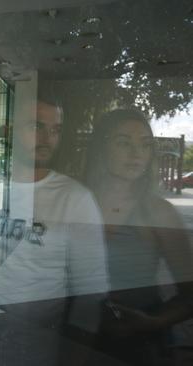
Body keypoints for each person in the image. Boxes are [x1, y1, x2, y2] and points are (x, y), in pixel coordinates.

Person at [0, 98, 108, 364]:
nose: (47, 137)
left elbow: (90, 292)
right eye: (36, 126)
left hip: (34, 335)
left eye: (55, 130)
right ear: (9, 131)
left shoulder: (74, 198)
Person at [84, 109, 193, 365]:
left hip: (137, 347)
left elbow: (190, 294)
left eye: (145, 145)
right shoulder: (73, 201)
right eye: (124, 143)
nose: (137, 154)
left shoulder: (159, 212)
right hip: (75, 338)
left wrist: (152, 322)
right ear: (101, 147)